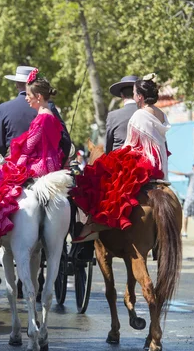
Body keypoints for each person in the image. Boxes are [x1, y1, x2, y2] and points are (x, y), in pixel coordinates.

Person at [0, 69, 65, 248]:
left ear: (37, 95)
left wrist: (13, 159)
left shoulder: (33, 115)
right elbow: (65, 141)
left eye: (29, 95)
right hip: (53, 163)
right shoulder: (52, 111)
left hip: (38, 164)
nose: (26, 98)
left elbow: (25, 146)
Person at [71, 74, 170, 241]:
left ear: (138, 96)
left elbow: (130, 144)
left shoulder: (137, 115)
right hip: (159, 164)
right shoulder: (161, 114)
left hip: (141, 162)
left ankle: (95, 224)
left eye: (135, 93)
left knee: (95, 180)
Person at [0, 65, 71, 165]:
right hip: (46, 164)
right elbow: (65, 140)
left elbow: (0, 146)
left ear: (16, 84)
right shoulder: (48, 106)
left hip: (16, 163)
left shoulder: (3, 108)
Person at [170, 163, 194, 238]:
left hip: (190, 196)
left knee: (186, 214)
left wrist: (170, 171)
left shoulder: (192, 174)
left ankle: (185, 232)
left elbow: (181, 174)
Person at [105, 75, 139, 154]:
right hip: (144, 162)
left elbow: (108, 146)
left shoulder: (112, 116)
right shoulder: (148, 113)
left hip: (120, 162)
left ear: (122, 95)